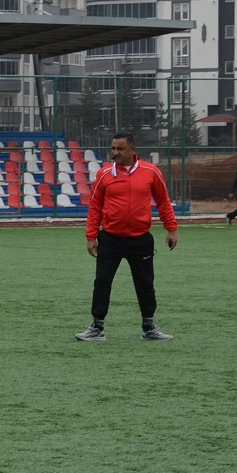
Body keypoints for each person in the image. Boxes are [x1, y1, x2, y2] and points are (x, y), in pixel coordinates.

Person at [77, 132, 179, 341]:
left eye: (120, 149)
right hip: (110, 239)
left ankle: (149, 327)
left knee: (145, 283)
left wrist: (171, 229)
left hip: (140, 239)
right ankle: (97, 327)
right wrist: (91, 236)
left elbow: (163, 201)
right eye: (113, 148)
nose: (115, 152)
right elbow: (95, 206)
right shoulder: (104, 174)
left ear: (132, 150)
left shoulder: (151, 172)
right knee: (102, 282)